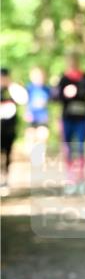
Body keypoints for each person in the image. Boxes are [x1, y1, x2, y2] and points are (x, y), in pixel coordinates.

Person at [55, 54, 85, 194]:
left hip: (82, 118)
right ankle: (70, 178)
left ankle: (81, 178)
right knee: (68, 148)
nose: (72, 64)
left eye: (75, 61)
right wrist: (65, 93)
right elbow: (56, 97)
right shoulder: (63, 78)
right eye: (70, 61)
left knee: (81, 147)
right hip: (67, 118)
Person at [1, 67, 28, 195]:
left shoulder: (13, 90)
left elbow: (23, 99)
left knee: (8, 153)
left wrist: (12, 86)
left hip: (10, 128)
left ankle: (6, 178)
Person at [24, 66, 52, 158]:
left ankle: (39, 158)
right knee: (31, 138)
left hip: (43, 117)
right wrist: (26, 112)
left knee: (43, 136)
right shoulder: (29, 88)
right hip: (32, 117)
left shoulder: (47, 89)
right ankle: (32, 156)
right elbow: (24, 101)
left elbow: (54, 98)